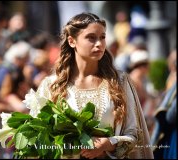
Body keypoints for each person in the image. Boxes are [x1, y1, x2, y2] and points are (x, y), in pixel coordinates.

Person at [35, 12, 153, 159]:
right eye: (91, 38)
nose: (99, 44)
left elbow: (135, 133)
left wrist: (109, 143)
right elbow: (39, 138)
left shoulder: (119, 81)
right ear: (72, 41)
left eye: (102, 37)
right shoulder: (51, 86)